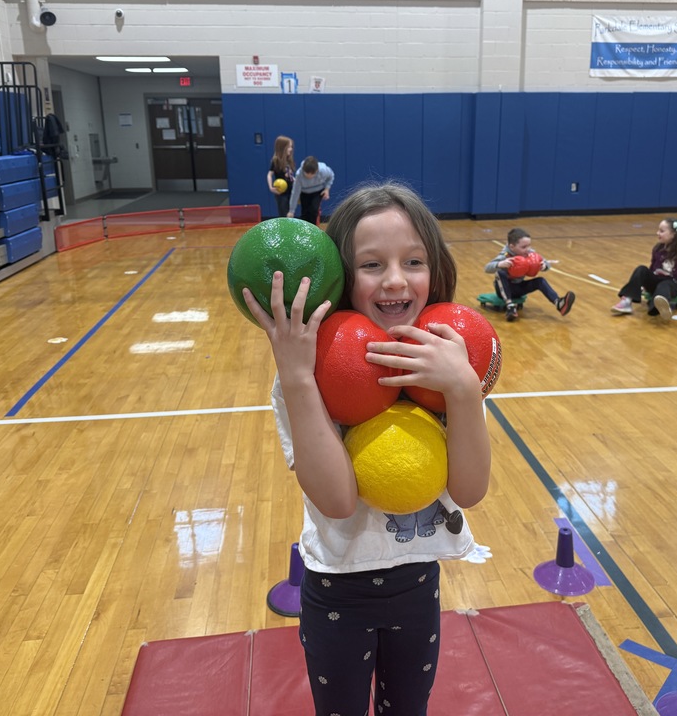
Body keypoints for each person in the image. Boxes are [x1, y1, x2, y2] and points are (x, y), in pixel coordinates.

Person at [242, 182, 490, 716]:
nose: (396, 280)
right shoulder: (306, 380)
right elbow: (337, 500)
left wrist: (465, 389)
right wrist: (297, 378)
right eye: (372, 265)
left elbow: (468, 492)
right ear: (340, 279)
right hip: (338, 591)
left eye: (414, 261)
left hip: (419, 582)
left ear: (436, 270)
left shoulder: (452, 365)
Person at [611, 217, 677, 321]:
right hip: (656, 280)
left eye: (662, 231)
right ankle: (626, 302)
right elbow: (653, 266)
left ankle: (660, 308)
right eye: (658, 230)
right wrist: (645, 282)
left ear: (673, 235)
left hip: (673, 284)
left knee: (664, 285)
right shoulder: (658, 248)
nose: (658, 233)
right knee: (641, 269)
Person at [484, 227, 576, 322]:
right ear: (512, 247)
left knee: (540, 281)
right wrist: (499, 264)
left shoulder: (530, 253)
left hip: (519, 288)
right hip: (503, 290)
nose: (528, 249)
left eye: (529, 246)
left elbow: (545, 262)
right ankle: (510, 307)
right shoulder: (506, 255)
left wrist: (544, 266)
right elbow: (487, 268)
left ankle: (559, 303)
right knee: (500, 273)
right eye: (524, 247)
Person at [287, 155, 334, 224]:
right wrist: (291, 211)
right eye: (307, 174)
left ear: (316, 170)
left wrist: (327, 189)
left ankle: (314, 229)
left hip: (318, 192)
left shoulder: (323, 170)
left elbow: (331, 176)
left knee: (314, 210)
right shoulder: (299, 175)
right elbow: (295, 192)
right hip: (304, 193)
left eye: (312, 174)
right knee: (305, 213)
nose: (309, 176)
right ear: (303, 170)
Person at [266, 135, 295, 219]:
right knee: (284, 214)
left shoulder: (289, 160)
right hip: (282, 193)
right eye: (289, 147)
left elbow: (291, 177)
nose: (291, 149)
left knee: (290, 214)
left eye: (291, 147)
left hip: (291, 191)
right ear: (282, 147)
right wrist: (271, 187)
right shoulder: (276, 161)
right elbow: (269, 174)